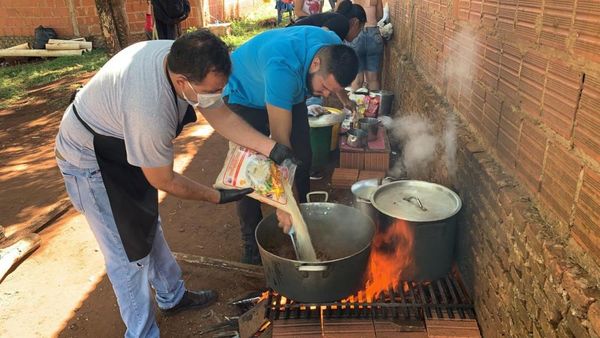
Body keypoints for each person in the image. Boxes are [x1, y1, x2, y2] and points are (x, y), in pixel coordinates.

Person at [54, 29, 295, 337]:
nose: (217, 94)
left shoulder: (186, 57)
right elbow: (162, 178)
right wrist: (215, 196)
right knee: (127, 255)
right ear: (183, 82)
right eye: (212, 89)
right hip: (90, 159)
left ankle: (172, 296)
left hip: (124, 146)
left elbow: (219, 114)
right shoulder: (149, 110)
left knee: (146, 224)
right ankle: (142, 333)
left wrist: (271, 148)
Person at [222, 26, 359, 264]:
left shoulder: (332, 46)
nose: (325, 94)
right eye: (324, 87)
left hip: (291, 88)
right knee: (252, 172)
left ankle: (302, 220)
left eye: (331, 90)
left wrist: (345, 99)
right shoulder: (281, 69)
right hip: (245, 95)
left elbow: (331, 83)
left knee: (303, 157)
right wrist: (284, 201)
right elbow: (279, 142)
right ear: (315, 63)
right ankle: (252, 248)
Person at [347, 0, 384, 90]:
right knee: (373, 79)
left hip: (356, 32)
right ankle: (373, 104)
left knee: (357, 79)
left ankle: (356, 103)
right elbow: (380, 15)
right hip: (373, 33)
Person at [292, 0, 366, 42]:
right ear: (355, 22)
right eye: (361, 29)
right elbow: (321, 37)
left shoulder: (337, 21)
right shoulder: (341, 23)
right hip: (297, 37)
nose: (359, 34)